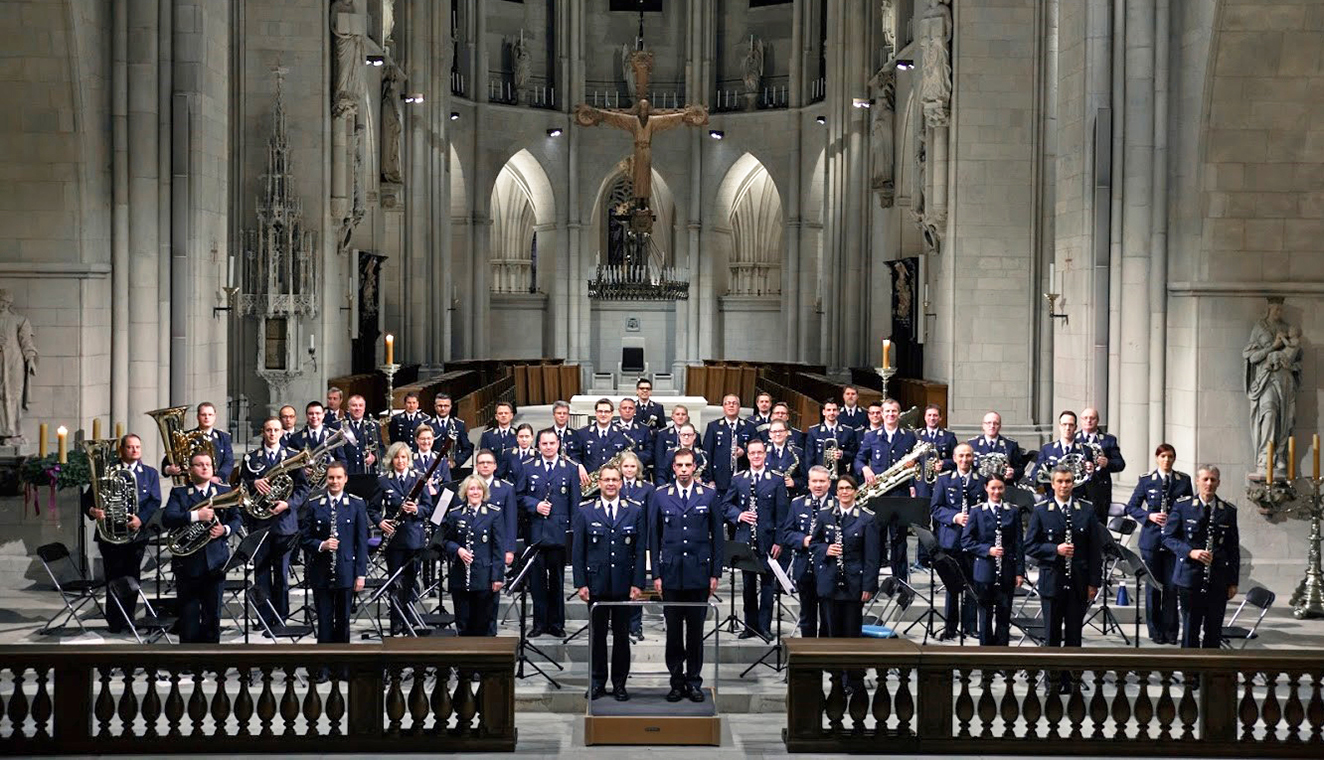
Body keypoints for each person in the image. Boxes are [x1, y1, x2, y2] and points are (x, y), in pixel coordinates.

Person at [649, 448, 722, 703]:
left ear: (694, 467)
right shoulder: (661, 496)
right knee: (673, 634)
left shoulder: (709, 495)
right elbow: (654, 538)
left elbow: (718, 538)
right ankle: (676, 682)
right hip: (670, 574)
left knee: (695, 633)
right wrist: (656, 574)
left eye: (687, 465)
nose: (683, 469)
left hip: (698, 574)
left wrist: (715, 573)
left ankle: (694, 682)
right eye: (679, 465)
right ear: (673, 467)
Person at [573, 464, 646, 701]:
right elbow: (578, 551)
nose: (611, 484)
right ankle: (597, 682)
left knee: (622, 637)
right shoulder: (585, 511)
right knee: (597, 637)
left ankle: (619, 684)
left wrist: (638, 583)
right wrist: (581, 583)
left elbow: (639, 551)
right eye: (606, 480)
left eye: (615, 479)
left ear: (621, 483)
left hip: (624, 584)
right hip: (596, 583)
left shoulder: (634, 510)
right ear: (599, 483)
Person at [1025, 465, 1102, 686]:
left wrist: (1093, 583)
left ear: (1073, 483)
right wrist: (1054, 550)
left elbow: (1094, 550)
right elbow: (1029, 546)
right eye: (1060, 481)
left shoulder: (1085, 510)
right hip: (1052, 581)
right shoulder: (1042, 510)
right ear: (1052, 484)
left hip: (1078, 582)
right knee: (1051, 635)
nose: (1064, 485)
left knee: (1074, 636)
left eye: (1068, 481)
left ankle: (1072, 682)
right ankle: (1052, 683)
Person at [82, 434, 160, 632]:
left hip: (136, 535)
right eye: (130, 447)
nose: (135, 450)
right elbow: (87, 499)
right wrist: (93, 511)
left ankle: (129, 618)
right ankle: (115, 622)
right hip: (110, 535)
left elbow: (155, 500)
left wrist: (140, 519)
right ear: (121, 450)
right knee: (113, 577)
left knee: (133, 577)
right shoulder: (107, 472)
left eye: (137, 447)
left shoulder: (150, 473)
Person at [161, 452, 243, 643]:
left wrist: (225, 530)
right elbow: (168, 518)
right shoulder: (180, 492)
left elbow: (236, 518)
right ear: (190, 470)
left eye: (208, 464)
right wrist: (197, 516)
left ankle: (212, 655)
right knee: (188, 616)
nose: (205, 467)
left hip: (216, 562)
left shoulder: (223, 490)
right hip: (188, 563)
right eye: (199, 464)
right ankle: (189, 656)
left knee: (212, 615)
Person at [238, 417, 309, 629]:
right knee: (261, 574)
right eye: (269, 430)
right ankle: (263, 618)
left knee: (281, 574)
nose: (272, 434)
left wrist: (288, 504)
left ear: (281, 433)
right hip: (259, 524)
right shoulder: (251, 458)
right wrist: (253, 482)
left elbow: (303, 489)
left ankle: (281, 617)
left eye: (276, 430)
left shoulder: (292, 457)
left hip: (284, 523)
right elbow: (241, 487)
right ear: (263, 432)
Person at [1163, 465, 1240, 649]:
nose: (1209, 484)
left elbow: (1233, 549)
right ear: (1197, 481)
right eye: (1205, 479)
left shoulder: (1228, 511)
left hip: (1217, 579)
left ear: (1219, 483)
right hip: (1190, 577)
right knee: (1190, 629)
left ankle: (1210, 666)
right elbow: (1167, 538)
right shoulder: (1183, 506)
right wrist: (1190, 552)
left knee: (1214, 630)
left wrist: (1233, 582)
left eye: (1213, 480)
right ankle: (1189, 667)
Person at [1126, 444, 1193, 645]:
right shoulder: (1146, 480)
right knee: (1153, 587)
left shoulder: (1183, 480)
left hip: (1174, 541)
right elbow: (1132, 507)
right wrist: (1150, 516)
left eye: (1170, 456)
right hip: (1152, 540)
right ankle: (1155, 631)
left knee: (1172, 587)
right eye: (1163, 456)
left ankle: (1171, 632)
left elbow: (1189, 508)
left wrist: (1176, 520)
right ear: (1157, 458)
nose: (1166, 460)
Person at [722, 438, 789, 639]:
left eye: (759, 452)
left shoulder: (776, 479)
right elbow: (725, 505)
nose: (756, 456)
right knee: (748, 585)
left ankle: (764, 627)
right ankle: (750, 626)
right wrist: (740, 515)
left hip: (768, 540)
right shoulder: (739, 479)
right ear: (748, 455)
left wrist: (779, 541)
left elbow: (782, 514)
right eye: (752, 453)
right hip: (745, 539)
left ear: (765, 454)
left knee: (768, 586)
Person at [519, 429, 581, 637]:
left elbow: (575, 504)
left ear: (558, 444)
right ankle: (539, 624)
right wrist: (535, 505)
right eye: (544, 443)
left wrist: (572, 537)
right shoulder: (527, 467)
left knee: (557, 582)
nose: (548, 447)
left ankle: (556, 624)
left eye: (552, 443)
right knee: (537, 583)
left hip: (559, 534)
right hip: (536, 533)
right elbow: (519, 496)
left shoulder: (570, 468)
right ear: (538, 446)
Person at [300, 462, 368, 646]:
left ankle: (343, 662)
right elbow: (304, 538)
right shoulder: (314, 504)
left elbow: (361, 543)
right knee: (324, 622)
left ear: (345, 479)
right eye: (331, 478)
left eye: (338, 477)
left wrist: (361, 574)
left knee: (343, 622)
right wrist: (321, 545)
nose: (334, 481)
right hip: (321, 571)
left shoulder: (356, 504)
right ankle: (324, 662)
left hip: (346, 571)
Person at [371, 442, 434, 634]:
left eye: (404, 457)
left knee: (411, 581)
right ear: (391, 460)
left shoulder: (419, 479)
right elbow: (372, 509)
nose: (400, 461)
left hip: (414, 538)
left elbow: (428, 508)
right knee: (395, 581)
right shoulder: (383, 480)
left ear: (409, 459)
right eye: (397, 457)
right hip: (394, 539)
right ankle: (396, 621)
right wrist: (380, 522)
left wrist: (416, 509)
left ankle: (409, 620)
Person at [855, 398, 919, 581]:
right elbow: (859, 459)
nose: (890, 414)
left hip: (900, 494)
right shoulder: (871, 437)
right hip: (878, 496)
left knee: (900, 540)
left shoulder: (909, 436)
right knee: (876, 541)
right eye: (887, 411)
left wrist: (913, 481)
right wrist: (865, 469)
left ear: (899, 414)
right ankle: (872, 583)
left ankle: (900, 582)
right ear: (882, 414)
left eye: (894, 411)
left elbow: (917, 464)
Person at [811, 474, 880, 641]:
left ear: (855, 492)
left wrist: (868, 586)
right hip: (829, 580)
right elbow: (814, 544)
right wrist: (826, 549)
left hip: (853, 583)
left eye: (848, 488)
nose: (844, 492)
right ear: (836, 492)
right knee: (829, 631)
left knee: (851, 632)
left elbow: (872, 556)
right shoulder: (825, 515)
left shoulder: (867, 518)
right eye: (841, 488)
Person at [961, 474, 1024, 645]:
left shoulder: (1013, 511)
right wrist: (988, 550)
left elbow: (1019, 543)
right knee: (985, 615)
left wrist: (1019, 572)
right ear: (986, 488)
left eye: (1000, 488)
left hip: (1007, 568)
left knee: (1004, 615)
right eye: (993, 488)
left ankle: (1002, 653)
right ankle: (985, 653)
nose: (997, 492)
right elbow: (966, 541)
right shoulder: (977, 511)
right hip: (984, 569)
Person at [929, 443, 983, 639]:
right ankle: (950, 627)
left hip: (973, 540)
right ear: (954, 458)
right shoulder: (944, 480)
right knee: (952, 586)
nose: (964, 459)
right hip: (951, 539)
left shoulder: (981, 480)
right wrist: (954, 517)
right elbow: (935, 508)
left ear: (973, 458)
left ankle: (971, 626)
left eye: (968, 456)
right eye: (961, 456)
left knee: (972, 584)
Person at [444, 476, 506, 635]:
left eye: (479, 489)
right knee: (463, 624)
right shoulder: (455, 514)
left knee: (484, 624)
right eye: (471, 489)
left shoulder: (494, 513)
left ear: (484, 492)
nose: (475, 492)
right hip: (461, 577)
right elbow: (445, 541)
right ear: (465, 492)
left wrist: (497, 577)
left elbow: (498, 548)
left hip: (484, 577)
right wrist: (458, 550)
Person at [780, 466, 834, 638]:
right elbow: (787, 534)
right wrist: (803, 540)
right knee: (807, 616)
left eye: (822, 481)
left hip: (828, 569)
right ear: (808, 483)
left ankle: (825, 651)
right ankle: (808, 652)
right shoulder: (797, 504)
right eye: (814, 481)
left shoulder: (837, 504)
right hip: (804, 568)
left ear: (829, 483)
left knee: (828, 617)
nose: (818, 485)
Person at [473, 448, 518, 635]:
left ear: (495, 466)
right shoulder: (470, 486)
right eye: (481, 462)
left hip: (496, 549)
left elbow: (511, 520)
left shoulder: (506, 488)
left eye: (488, 462)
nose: (485, 465)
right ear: (476, 466)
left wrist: (510, 549)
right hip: (474, 549)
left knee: (492, 592)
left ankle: (490, 634)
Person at [619, 450, 654, 641]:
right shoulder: (614, 485)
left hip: (639, 543)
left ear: (638, 468)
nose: (629, 470)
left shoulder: (647, 488)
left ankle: (635, 625)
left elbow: (650, 518)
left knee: (637, 584)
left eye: (632, 466)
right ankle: (619, 624)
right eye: (626, 466)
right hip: (618, 543)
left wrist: (648, 544)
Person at [161, 402, 234, 484]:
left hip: (217, 484)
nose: (207, 417)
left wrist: (218, 477)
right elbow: (169, 458)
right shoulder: (186, 437)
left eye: (210, 415)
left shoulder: (223, 437)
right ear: (198, 416)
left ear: (215, 417)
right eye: (203, 415)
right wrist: (168, 469)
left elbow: (228, 461)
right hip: (191, 484)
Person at [1076, 407, 1127, 523]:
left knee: (1099, 526)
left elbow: (1120, 464)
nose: (1088, 421)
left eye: (1092, 418)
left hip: (1100, 492)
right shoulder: (1074, 439)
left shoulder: (1108, 440)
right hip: (1079, 490)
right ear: (1081, 420)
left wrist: (1108, 463)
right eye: (1085, 418)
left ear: (1097, 420)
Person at [1027, 411, 1092, 498]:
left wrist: (1091, 472)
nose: (1067, 428)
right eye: (1064, 424)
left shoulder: (1085, 450)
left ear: (1075, 427)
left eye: (1071, 425)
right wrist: (1045, 480)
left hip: (1077, 497)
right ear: (1059, 426)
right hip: (1053, 497)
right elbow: (1035, 472)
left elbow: (1092, 481)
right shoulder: (1047, 449)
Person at [806, 400, 859, 480]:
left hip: (840, 476)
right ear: (823, 412)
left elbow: (854, 454)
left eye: (834, 410)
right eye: (828, 410)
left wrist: (842, 454)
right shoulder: (814, 431)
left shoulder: (848, 431)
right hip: (819, 476)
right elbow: (809, 458)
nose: (831, 413)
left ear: (838, 412)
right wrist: (812, 477)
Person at [968, 411, 1022, 483]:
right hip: (978, 485)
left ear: (1000, 426)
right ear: (983, 425)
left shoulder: (1010, 444)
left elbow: (1020, 469)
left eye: (996, 423)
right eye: (988, 423)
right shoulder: (972, 444)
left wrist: (1013, 473)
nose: (992, 426)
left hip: (1003, 485)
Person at [429, 393, 474, 478]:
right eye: (440, 406)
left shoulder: (458, 425)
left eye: (446, 406)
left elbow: (467, 448)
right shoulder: (428, 424)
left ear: (450, 407)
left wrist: (456, 462)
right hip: (432, 469)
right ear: (435, 407)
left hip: (452, 471)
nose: (443, 408)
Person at [580, 398, 630, 472]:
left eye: (606, 412)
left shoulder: (622, 433)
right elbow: (576, 456)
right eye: (600, 411)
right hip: (589, 477)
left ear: (612, 414)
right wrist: (579, 466)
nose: (603, 414)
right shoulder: (583, 433)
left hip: (614, 476)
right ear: (596, 413)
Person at [340, 394, 381, 476]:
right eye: (354, 405)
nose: (357, 408)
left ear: (364, 408)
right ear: (348, 408)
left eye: (360, 405)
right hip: (346, 472)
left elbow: (380, 447)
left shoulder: (372, 425)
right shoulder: (340, 425)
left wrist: (374, 457)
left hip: (367, 473)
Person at [615, 398, 655, 475]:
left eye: (630, 408)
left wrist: (632, 460)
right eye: (624, 408)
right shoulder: (612, 428)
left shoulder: (644, 429)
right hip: (617, 473)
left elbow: (649, 453)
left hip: (639, 472)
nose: (627, 410)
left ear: (635, 411)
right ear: (619, 410)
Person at [766, 420, 806, 493]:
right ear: (769, 434)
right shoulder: (762, 451)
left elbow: (805, 479)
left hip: (789, 494)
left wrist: (794, 482)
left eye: (781, 431)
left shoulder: (798, 452)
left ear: (786, 432)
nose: (778, 434)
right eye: (774, 431)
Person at [479, 402, 518, 472]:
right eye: (500, 413)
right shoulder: (487, 435)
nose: (503, 415)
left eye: (506, 413)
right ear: (496, 416)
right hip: (494, 473)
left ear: (511, 415)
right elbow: (483, 457)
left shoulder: (518, 434)